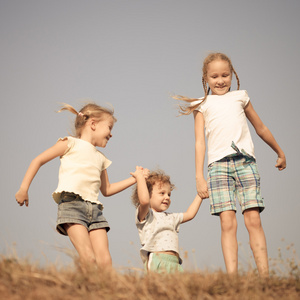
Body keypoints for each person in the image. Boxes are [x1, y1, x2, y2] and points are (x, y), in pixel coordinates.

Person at [174, 52, 286, 276]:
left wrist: (279, 151)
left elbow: (260, 127)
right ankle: (233, 277)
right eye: (214, 76)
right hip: (218, 167)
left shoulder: (240, 97)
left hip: (245, 163)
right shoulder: (202, 104)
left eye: (225, 75)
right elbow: (199, 143)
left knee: (253, 219)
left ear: (232, 74)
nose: (220, 80)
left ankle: (264, 275)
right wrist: (199, 177)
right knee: (227, 223)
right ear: (206, 78)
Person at [15, 103, 148, 270]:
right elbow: (38, 160)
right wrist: (23, 188)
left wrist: (135, 178)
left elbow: (107, 190)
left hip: (95, 211)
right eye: (109, 127)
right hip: (72, 205)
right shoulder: (69, 143)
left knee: (105, 261)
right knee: (88, 257)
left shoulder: (101, 158)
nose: (111, 134)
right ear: (93, 124)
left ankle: (106, 292)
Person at [131, 166, 202, 273]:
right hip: (157, 260)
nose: (167, 197)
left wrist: (200, 195)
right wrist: (140, 178)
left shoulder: (171, 217)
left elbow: (190, 214)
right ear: (148, 195)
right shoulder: (146, 215)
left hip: (175, 262)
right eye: (162, 193)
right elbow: (144, 201)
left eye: (169, 194)